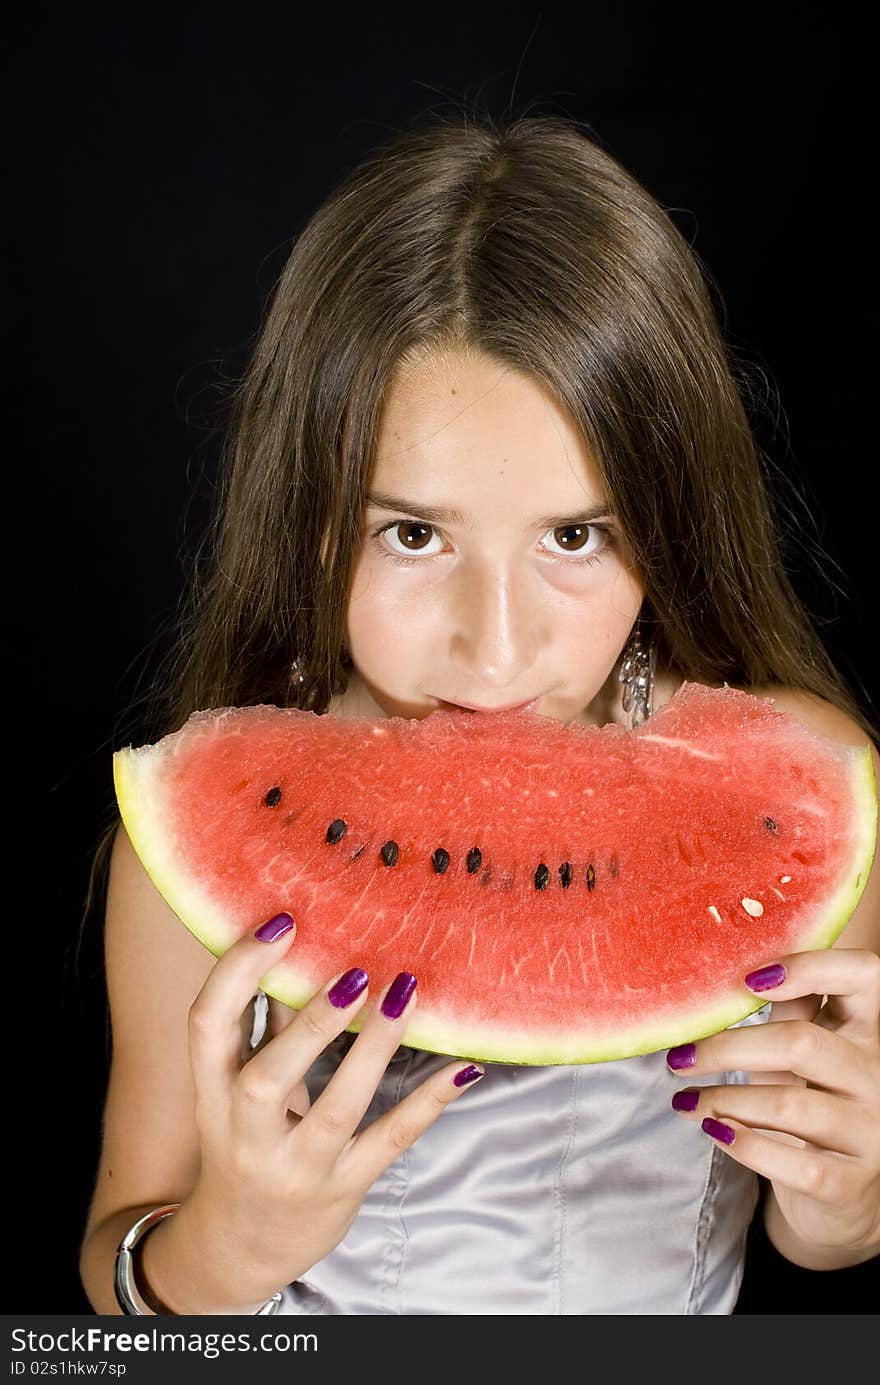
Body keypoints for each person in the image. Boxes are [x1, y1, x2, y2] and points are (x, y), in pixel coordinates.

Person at [77, 109, 880, 1316]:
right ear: (308, 516)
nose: (494, 647)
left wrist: (849, 1201)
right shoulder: (180, 869)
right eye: (411, 533)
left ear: (667, 517)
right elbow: (116, 1260)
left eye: (573, 536)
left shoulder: (799, 785)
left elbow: (818, 1233)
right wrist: (221, 1252)